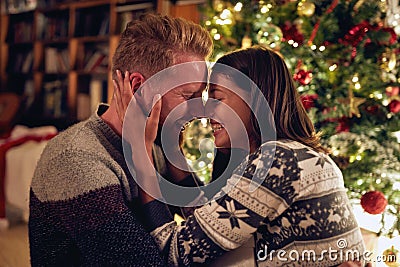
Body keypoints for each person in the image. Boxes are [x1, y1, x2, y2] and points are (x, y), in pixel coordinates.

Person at [116, 46, 368, 266]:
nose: (203, 109)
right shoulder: (287, 156)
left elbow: (178, 253)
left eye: (216, 96)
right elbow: (207, 229)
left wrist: (140, 149)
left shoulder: (279, 162)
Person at [28, 13, 213, 266]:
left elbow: (206, 229)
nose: (198, 110)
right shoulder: (77, 160)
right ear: (138, 87)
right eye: (187, 95)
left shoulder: (156, 142)